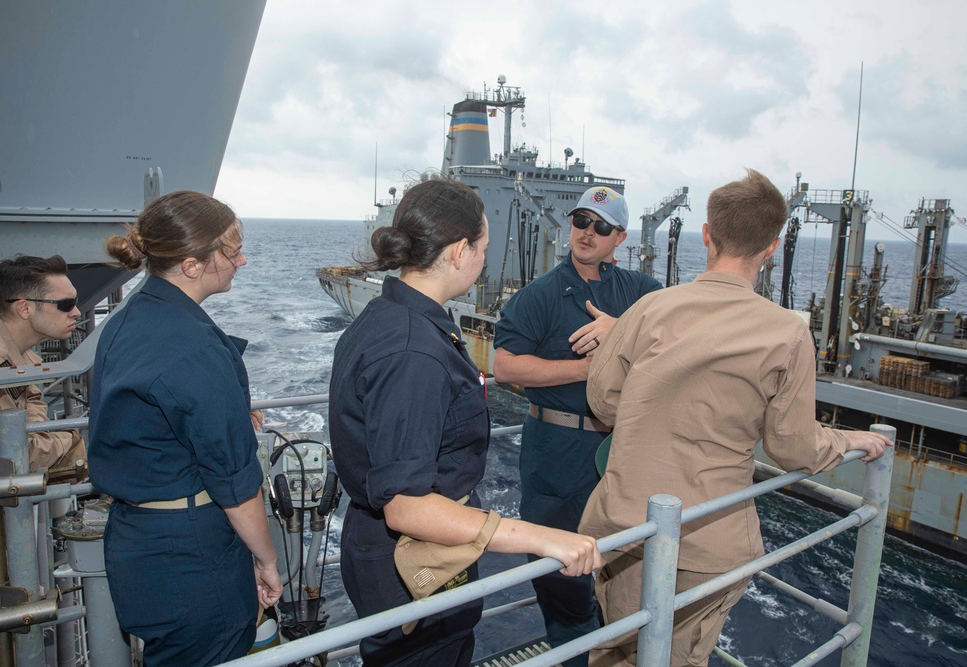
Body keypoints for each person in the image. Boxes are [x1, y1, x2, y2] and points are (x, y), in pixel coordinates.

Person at [579, 169, 892, 666]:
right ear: (771, 248)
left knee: (616, 652)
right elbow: (793, 447)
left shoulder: (649, 308)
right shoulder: (787, 333)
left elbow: (604, 401)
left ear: (707, 234)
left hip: (624, 526)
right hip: (708, 541)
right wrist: (849, 440)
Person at [329, 178, 603, 667]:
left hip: (408, 555)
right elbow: (407, 507)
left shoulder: (387, 316)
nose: (483, 260)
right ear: (459, 251)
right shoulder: (413, 351)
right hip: (410, 562)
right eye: (482, 248)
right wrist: (546, 538)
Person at [88, 191, 282, 666]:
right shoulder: (192, 347)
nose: (242, 260)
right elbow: (235, 484)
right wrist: (267, 560)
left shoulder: (124, 321)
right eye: (232, 250)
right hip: (189, 554)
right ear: (193, 265)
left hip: (136, 539)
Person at [491, 186, 662, 665]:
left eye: (601, 226)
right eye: (581, 221)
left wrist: (620, 332)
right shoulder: (540, 295)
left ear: (620, 237)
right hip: (557, 453)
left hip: (622, 453)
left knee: (623, 566)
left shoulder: (642, 294)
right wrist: (593, 368)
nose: (588, 233)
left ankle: (612, 650)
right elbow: (505, 367)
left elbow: (682, 334)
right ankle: (573, 654)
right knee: (561, 574)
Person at [0, 255, 88, 667]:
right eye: (65, 303)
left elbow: (32, 437)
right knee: (2, 636)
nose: (77, 312)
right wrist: (71, 441)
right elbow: (15, 453)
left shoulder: (13, 353)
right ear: (24, 308)